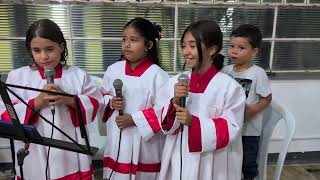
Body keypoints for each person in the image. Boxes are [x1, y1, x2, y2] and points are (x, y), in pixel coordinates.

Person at [0, 19, 103, 180]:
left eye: (49, 49)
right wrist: (36, 103)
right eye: (37, 50)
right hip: (34, 154)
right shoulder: (17, 77)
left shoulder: (78, 75)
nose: (44, 56)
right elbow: (6, 114)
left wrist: (68, 100)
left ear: (61, 46)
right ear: (30, 50)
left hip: (71, 154)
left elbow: (96, 103)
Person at [157, 20, 246, 180]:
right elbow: (164, 123)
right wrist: (174, 101)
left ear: (212, 49)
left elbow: (232, 127)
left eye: (192, 45)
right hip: (178, 155)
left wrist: (194, 122)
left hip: (211, 161)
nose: (185, 51)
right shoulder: (175, 82)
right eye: (183, 45)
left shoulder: (229, 88)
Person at [100, 17, 169, 180]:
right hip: (117, 140)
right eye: (124, 39)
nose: (127, 44)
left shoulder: (157, 75)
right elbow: (101, 96)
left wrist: (135, 119)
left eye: (134, 40)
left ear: (149, 45)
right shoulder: (113, 70)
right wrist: (110, 102)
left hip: (145, 146)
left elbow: (165, 112)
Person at [222, 24, 272, 180]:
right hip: (230, 128)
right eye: (231, 46)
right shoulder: (226, 71)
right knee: (229, 162)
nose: (234, 51)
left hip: (248, 132)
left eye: (241, 48)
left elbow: (267, 98)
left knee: (248, 164)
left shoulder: (258, 73)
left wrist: (253, 110)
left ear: (254, 51)